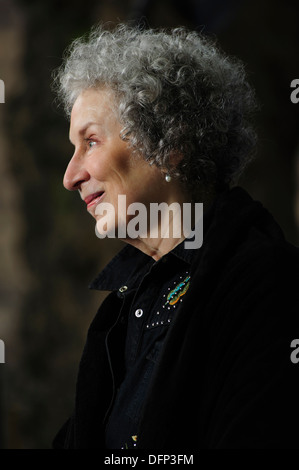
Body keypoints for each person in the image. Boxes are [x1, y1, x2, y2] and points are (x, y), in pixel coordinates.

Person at [52, 23, 299, 449]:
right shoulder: (122, 307)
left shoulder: (269, 282)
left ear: (170, 142)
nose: (70, 177)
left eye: (90, 141)